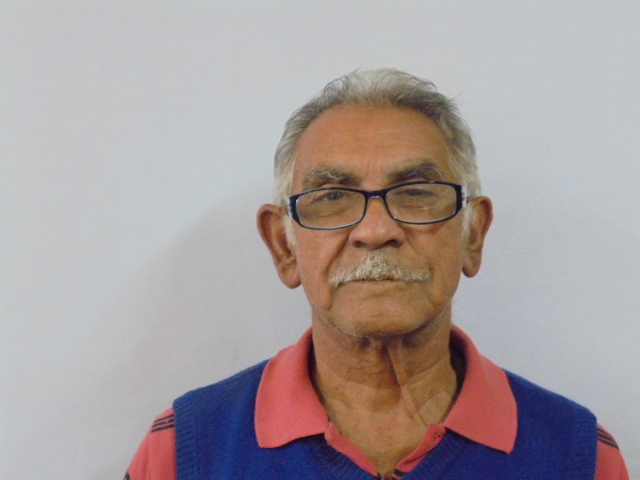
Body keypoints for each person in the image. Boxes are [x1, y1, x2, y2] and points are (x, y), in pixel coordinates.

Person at [124, 68, 628, 479]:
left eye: (416, 192)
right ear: (283, 246)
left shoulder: (577, 456)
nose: (376, 230)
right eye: (332, 197)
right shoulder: (186, 452)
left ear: (473, 235)